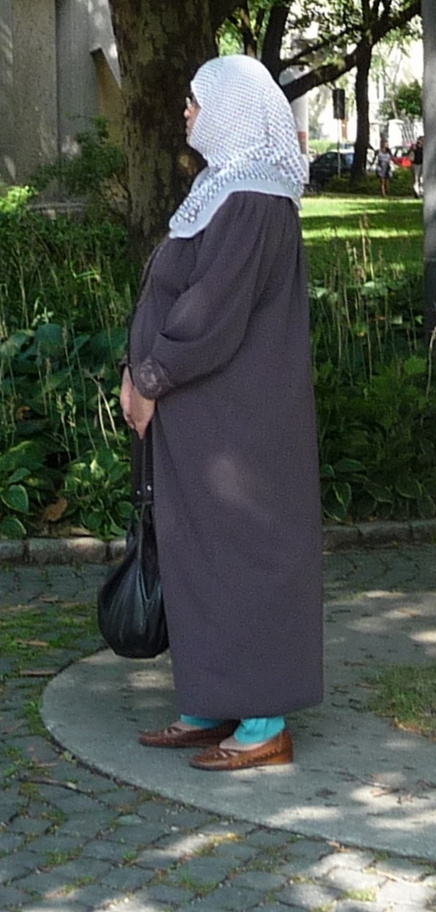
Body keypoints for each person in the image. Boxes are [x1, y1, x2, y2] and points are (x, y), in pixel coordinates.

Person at [121, 54, 323, 772]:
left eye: (196, 102)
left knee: (245, 557)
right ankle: (213, 699)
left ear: (234, 110)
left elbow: (211, 312)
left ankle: (264, 718)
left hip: (240, 422)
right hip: (205, 418)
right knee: (200, 555)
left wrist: (149, 374)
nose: (185, 113)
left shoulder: (252, 200)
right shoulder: (224, 188)